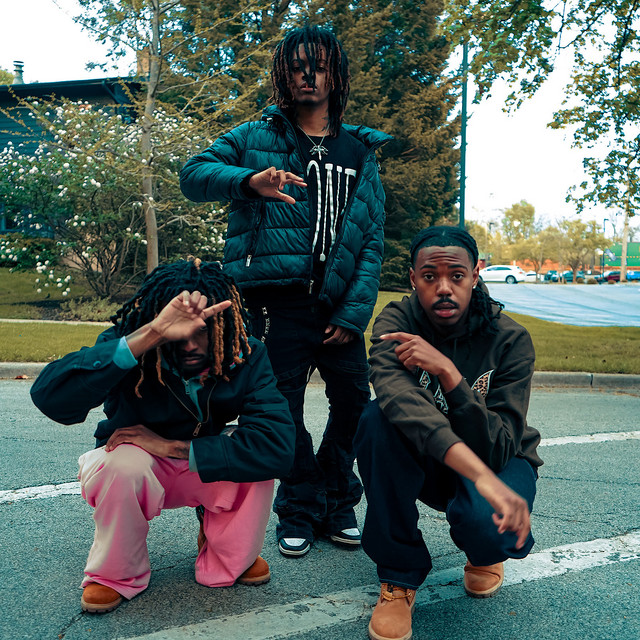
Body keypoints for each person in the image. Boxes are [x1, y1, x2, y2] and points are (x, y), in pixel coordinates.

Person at [180, 25, 391, 558]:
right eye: (296, 66)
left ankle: (337, 499)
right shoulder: (255, 137)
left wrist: (354, 312)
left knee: (354, 404)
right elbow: (192, 174)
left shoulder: (359, 151)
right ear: (283, 74)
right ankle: (299, 507)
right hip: (276, 302)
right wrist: (249, 182)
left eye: (318, 65)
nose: (307, 75)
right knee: (284, 411)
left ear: (336, 74)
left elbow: (371, 239)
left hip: (338, 304)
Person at [30, 259, 295, 614]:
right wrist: (151, 334)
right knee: (122, 464)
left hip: (199, 462)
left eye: (203, 330)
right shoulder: (131, 343)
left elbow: (278, 446)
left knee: (255, 460)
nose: (190, 343)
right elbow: (49, 397)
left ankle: (227, 553)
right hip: (135, 464)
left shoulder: (244, 353)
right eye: (179, 331)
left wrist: (173, 447)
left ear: (224, 324)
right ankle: (115, 573)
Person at [354, 227, 543, 640]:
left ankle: (483, 552)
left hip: (495, 457)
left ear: (475, 274)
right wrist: (481, 479)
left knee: (489, 528)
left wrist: (450, 375)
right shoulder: (396, 324)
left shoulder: (510, 339)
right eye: (429, 276)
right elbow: (402, 404)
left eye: (456, 276)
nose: (443, 288)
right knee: (376, 420)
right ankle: (399, 575)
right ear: (413, 278)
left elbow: (501, 445)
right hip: (433, 460)